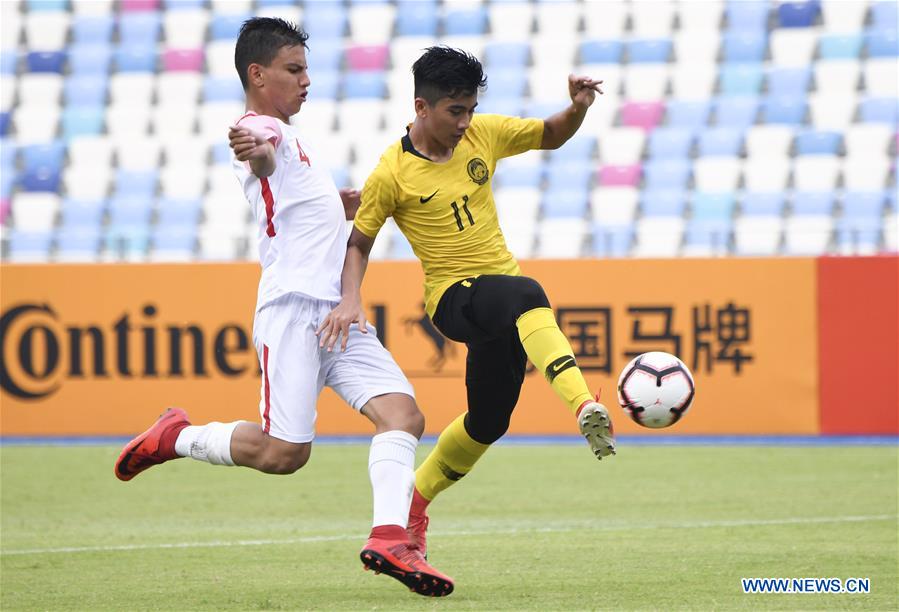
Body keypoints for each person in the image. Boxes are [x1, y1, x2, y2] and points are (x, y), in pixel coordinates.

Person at [113, 18, 453, 598]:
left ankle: (391, 536)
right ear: (257, 73)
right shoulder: (259, 127)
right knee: (283, 454)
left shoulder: (298, 142)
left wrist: (339, 204)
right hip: (295, 309)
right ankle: (177, 437)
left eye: (306, 69)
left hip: (338, 313)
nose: (306, 81)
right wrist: (260, 151)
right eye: (294, 70)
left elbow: (295, 197)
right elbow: (261, 156)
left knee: (405, 416)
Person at [317, 46, 616, 557]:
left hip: (500, 304)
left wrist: (578, 108)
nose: (465, 122)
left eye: (471, 108)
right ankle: (584, 403)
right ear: (421, 107)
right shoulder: (391, 172)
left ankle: (415, 501)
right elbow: (358, 243)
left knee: (488, 422)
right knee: (529, 293)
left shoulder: (484, 134)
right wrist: (349, 299)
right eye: (455, 111)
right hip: (453, 300)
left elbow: (550, 135)